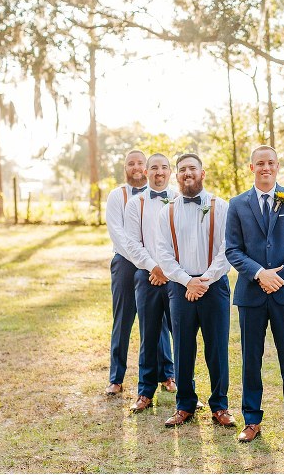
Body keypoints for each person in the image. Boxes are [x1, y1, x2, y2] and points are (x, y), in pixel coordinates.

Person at [225, 145, 284, 444]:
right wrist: (260, 274)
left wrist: (280, 276)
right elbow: (232, 250)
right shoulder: (236, 204)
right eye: (260, 163)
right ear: (251, 168)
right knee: (251, 358)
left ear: (277, 166)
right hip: (252, 292)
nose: (266, 167)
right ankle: (251, 420)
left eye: (271, 163)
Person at [155, 154, 235, 428]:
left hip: (214, 287)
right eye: (182, 169)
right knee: (183, 347)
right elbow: (162, 253)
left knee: (217, 348)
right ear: (177, 176)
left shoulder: (221, 206)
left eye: (192, 168)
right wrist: (187, 281)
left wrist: (205, 280)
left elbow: (229, 249)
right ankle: (185, 404)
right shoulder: (167, 210)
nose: (187, 173)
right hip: (180, 288)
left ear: (203, 173)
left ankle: (220, 406)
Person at [105, 150, 174, 396]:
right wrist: (145, 262)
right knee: (123, 318)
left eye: (140, 163)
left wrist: (157, 264)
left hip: (156, 263)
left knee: (161, 319)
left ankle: (167, 374)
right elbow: (119, 234)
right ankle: (116, 377)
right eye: (130, 163)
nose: (135, 167)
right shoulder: (118, 196)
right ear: (125, 167)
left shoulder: (164, 196)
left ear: (147, 168)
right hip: (126, 261)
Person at [123, 153, 178, 412]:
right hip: (147, 277)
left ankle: (185, 392)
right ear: (146, 172)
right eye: (154, 168)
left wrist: (170, 270)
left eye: (164, 168)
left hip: (178, 278)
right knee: (149, 335)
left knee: (182, 336)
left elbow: (187, 241)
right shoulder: (136, 204)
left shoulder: (181, 199)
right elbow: (131, 243)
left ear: (170, 172)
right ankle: (145, 392)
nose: (159, 172)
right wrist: (154, 267)